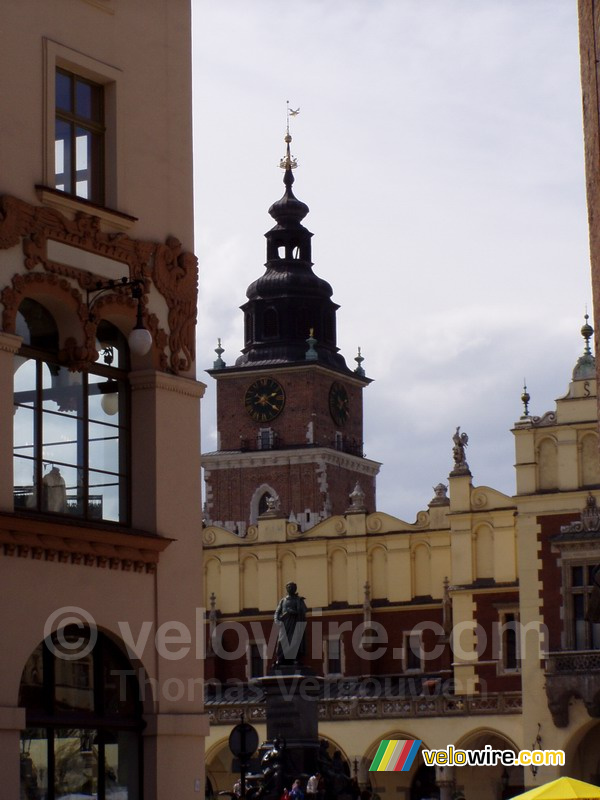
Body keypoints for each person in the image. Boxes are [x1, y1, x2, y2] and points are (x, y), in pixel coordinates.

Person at [274, 582, 307, 665]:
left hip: (294, 624)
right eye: (289, 587)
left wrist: (294, 611)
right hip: (284, 625)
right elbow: (277, 612)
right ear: (286, 589)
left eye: (293, 587)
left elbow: (304, 610)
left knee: (294, 641)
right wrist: (277, 620)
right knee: (282, 641)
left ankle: (293, 659)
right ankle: (280, 659)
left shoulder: (299, 600)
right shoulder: (283, 601)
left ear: (295, 589)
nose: (291, 589)